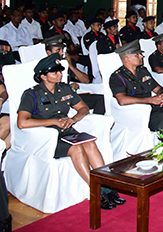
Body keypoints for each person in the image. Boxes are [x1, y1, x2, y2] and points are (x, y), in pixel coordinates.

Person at [18, 54, 125, 210]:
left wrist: (73, 119)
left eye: (60, 71)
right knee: (77, 149)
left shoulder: (64, 89)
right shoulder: (32, 94)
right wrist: (53, 121)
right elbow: (22, 122)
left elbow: (83, 108)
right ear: (43, 76)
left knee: (90, 143)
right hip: (45, 137)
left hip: (67, 131)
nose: (60, 74)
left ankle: (107, 186)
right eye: (54, 72)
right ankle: (96, 190)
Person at [109, 41, 163, 132]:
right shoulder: (117, 77)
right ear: (127, 59)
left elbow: (159, 88)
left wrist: (161, 96)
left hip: (153, 109)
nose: (141, 56)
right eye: (137, 55)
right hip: (137, 114)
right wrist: (150, 100)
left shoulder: (142, 71)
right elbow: (122, 100)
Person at [43, 36, 105, 114]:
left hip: (69, 96)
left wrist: (70, 66)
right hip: (57, 99)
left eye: (62, 49)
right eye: (58, 50)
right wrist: (68, 88)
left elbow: (86, 80)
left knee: (101, 100)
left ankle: (95, 120)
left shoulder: (63, 63)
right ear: (49, 53)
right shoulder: (45, 67)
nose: (62, 53)